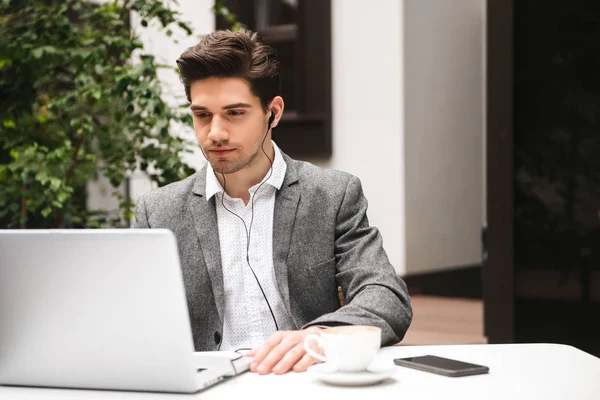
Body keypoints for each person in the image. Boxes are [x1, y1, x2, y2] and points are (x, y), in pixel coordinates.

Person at [133, 29, 412, 375]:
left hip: (304, 379)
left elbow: (385, 295)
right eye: (202, 115)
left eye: (234, 113)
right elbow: (137, 321)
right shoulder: (157, 212)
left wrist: (321, 337)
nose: (215, 132)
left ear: (273, 112)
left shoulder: (332, 195)